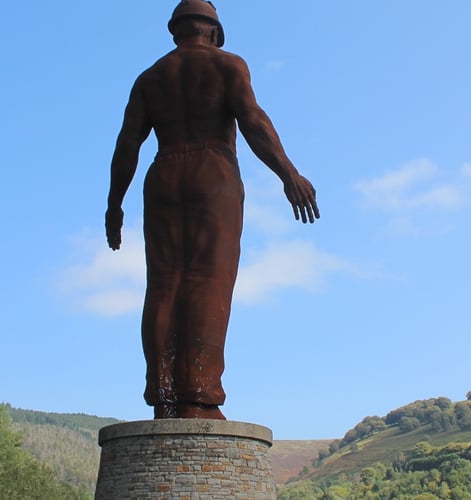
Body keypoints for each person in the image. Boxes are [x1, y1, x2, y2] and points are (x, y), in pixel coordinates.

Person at [105, 0, 319, 420]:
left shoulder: (150, 78)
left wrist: (115, 204)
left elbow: (127, 143)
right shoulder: (227, 65)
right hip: (212, 172)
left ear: (176, 31)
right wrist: (288, 173)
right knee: (208, 280)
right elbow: (252, 120)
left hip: (163, 174)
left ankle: (163, 395)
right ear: (214, 32)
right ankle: (198, 395)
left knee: (163, 284)